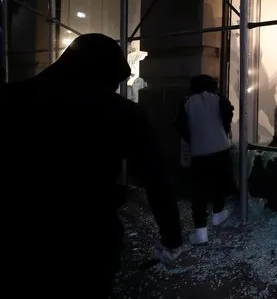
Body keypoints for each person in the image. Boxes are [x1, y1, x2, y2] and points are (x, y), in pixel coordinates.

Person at [0, 33, 183, 298]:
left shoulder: (10, 98)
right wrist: (171, 236)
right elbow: (156, 179)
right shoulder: (122, 113)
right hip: (87, 238)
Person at [175, 75, 234, 245]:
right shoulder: (219, 99)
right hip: (221, 148)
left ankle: (201, 231)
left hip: (199, 153)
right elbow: (228, 113)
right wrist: (225, 129)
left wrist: (192, 138)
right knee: (221, 183)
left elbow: (179, 125)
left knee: (199, 191)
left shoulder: (187, 102)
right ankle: (218, 213)